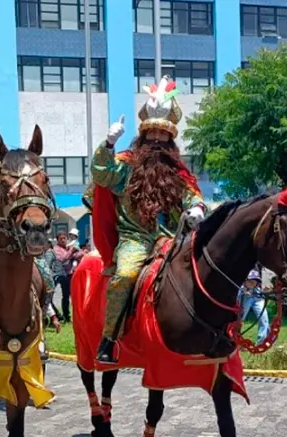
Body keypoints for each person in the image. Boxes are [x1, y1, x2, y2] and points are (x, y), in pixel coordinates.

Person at [90, 77, 206, 363]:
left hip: (170, 238)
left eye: (162, 135)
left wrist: (198, 208)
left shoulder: (177, 172)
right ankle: (109, 339)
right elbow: (101, 173)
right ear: (143, 135)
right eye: (151, 133)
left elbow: (192, 195)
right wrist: (108, 143)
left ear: (170, 139)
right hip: (135, 239)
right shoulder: (126, 166)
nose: (156, 139)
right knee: (126, 275)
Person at [51, 230, 84, 323]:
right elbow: (62, 259)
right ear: (57, 240)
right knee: (57, 296)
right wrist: (71, 251)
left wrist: (79, 251)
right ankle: (61, 316)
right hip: (59, 275)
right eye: (61, 239)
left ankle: (70, 316)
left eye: (64, 238)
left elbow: (78, 255)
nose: (63, 240)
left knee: (70, 295)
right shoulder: (56, 249)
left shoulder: (69, 247)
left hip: (69, 274)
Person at [238, 268, 269, 345]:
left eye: (255, 281)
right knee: (239, 320)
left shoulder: (263, 267)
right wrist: (243, 290)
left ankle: (261, 343)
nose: (253, 283)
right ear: (245, 281)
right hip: (245, 298)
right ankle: (236, 341)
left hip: (258, 298)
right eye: (251, 281)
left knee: (264, 319)